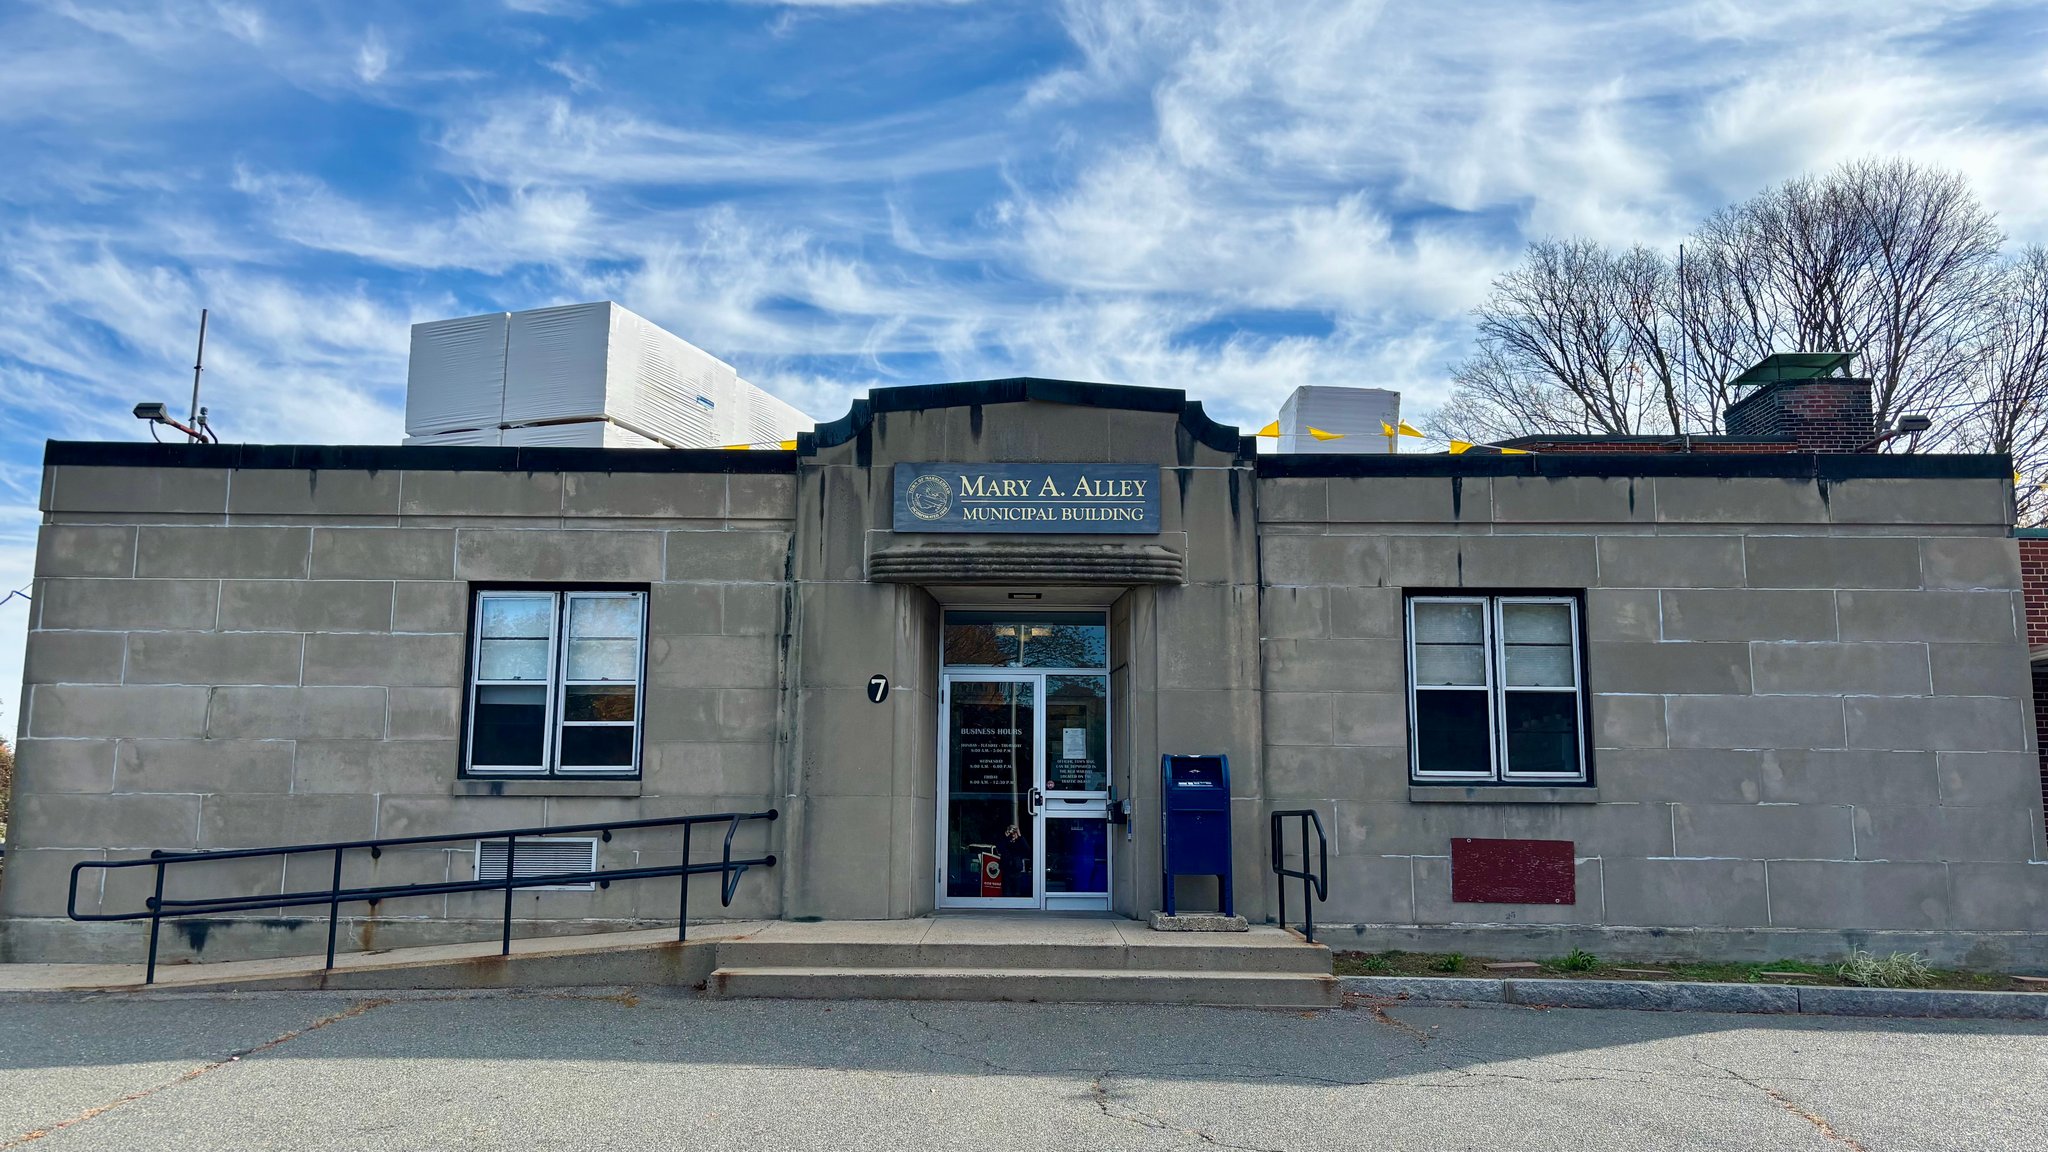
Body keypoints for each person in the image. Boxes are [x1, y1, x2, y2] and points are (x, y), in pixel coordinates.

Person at [997, 822, 1032, 898]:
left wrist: (1020, 836)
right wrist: (1006, 837)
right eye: (1011, 832)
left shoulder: (1019, 843)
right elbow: (1000, 849)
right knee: (1006, 893)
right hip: (1006, 871)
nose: (1013, 834)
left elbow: (1027, 849)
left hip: (1016, 871)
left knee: (1017, 893)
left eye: (1014, 832)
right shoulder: (1006, 842)